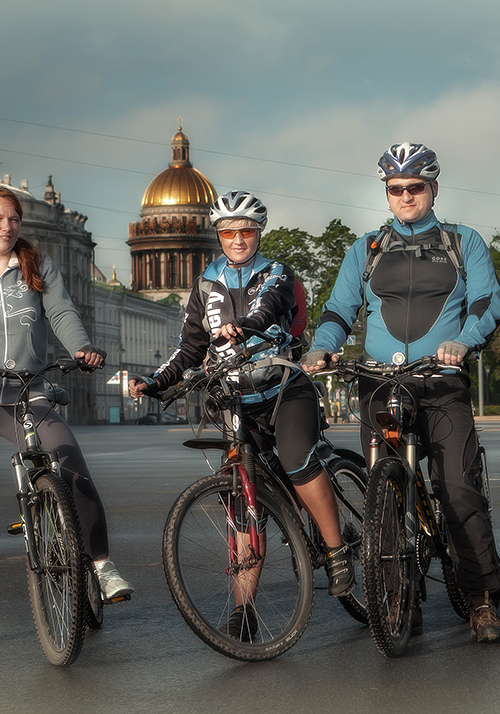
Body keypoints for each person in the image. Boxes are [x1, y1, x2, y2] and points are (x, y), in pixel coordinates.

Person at [303, 142, 500, 643]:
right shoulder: (366, 249)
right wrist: (321, 348)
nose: (405, 196)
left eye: (415, 187)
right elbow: (337, 309)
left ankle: (481, 599)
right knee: (387, 496)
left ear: (432, 188)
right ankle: (400, 595)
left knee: (457, 489)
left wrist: (462, 342)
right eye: (395, 190)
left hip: (441, 385)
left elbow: (487, 301)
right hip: (380, 383)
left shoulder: (463, 241)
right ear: (387, 194)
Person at [128, 190, 354, 640]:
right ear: (218, 235)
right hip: (235, 402)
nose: (237, 239)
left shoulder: (277, 273)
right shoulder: (204, 284)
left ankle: (337, 552)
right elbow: (191, 346)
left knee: (297, 462)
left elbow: (271, 309)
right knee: (241, 505)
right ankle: (244, 609)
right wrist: (156, 381)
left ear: (258, 233)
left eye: (246, 231)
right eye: (228, 231)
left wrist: (245, 326)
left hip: (284, 389)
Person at [0, 186, 132, 650]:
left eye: (14, 218)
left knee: (72, 469)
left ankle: (101, 566)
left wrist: (80, 346)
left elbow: (60, 311)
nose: (7, 226)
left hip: (26, 392)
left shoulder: (35, 266)